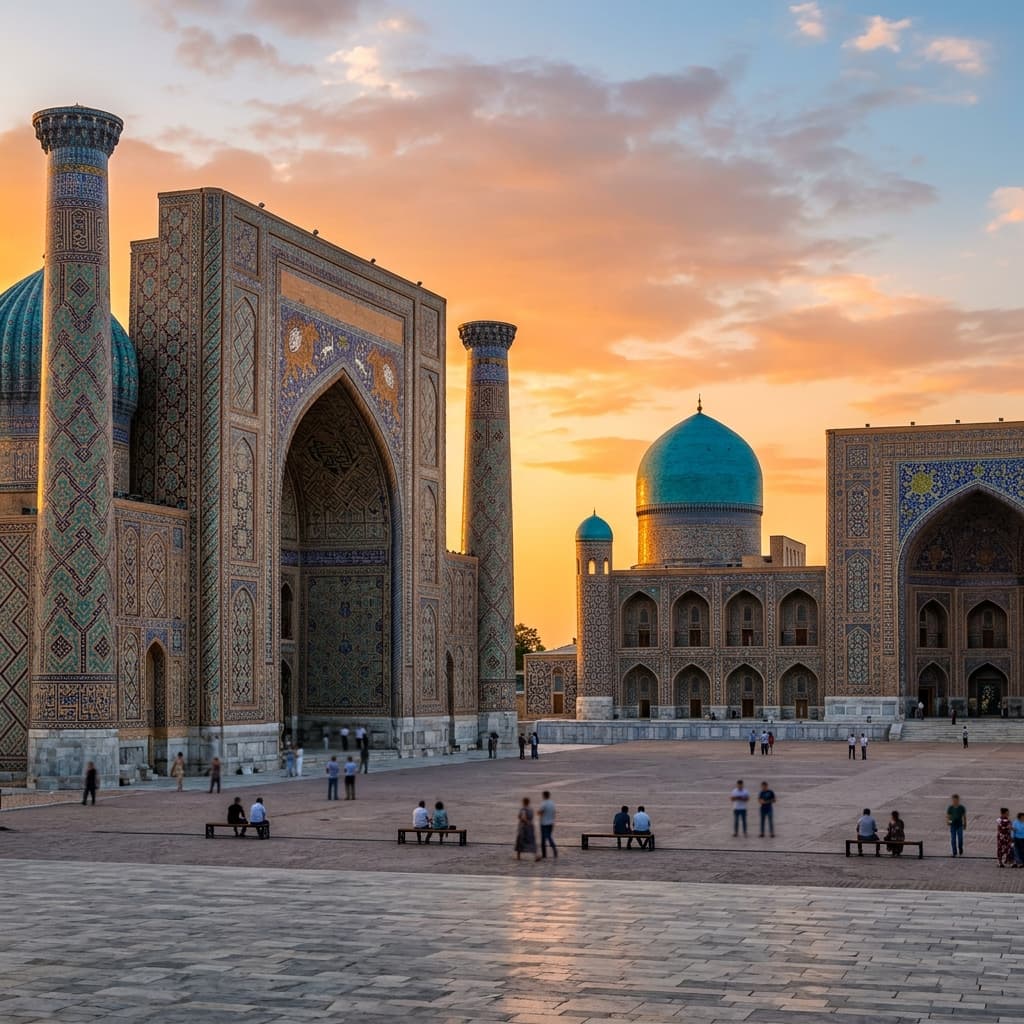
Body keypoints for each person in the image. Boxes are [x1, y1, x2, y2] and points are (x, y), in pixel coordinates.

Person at [515, 797, 540, 861]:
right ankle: (536, 855)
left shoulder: (523, 809)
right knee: (531, 841)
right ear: (528, 802)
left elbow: (523, 817)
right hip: (530, 827)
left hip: (524, 827)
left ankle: (518, 856)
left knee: (520, 840)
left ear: (523, 802)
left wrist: (526, 821)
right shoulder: (531, 809)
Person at [539, 790, 558, 858]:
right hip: (551, 823)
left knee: (546, 838)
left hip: (544, 823)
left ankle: (554, 849)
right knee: (546, 837)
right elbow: (554, 812)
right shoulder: (552, 803)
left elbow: (540, 812)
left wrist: (538, 813)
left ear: (544, 795)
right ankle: (544, 854)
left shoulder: (543, 803)